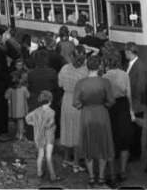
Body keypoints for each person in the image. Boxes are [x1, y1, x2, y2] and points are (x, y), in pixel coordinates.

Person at [73, 55, 115, 188]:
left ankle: (91, 177)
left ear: (87, 66)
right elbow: (111, 101)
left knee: (88, 145)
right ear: (99, 66)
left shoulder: (81, 83)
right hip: (102, 114)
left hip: (87, 114)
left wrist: (84, 106)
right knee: (103, 145)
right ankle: (101, 177)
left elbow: (75, 103)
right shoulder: (105, 82)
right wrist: (104, 106)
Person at [103, 51, 134, 184]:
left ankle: (111, 173)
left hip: (109, 107)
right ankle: (123, 171)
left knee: (110, 140)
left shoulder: (104, 76)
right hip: (123, 106)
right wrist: (131, 110)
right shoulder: (125, 74)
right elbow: (129, 94)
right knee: (124, 140)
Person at [57, 45, 88, 173]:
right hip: (78, 102)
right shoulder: (85, 71)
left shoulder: (64, 69)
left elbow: (60, 84)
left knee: (66, 129)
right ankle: (76, 162)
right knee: (77, 131)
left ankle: (65, 159)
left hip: (66, 100)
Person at [26, 49, 59, 142]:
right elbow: (56, 87)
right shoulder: (52, 72)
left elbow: (30, 87)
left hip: (35, 101)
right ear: (46, 60)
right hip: (48, 101)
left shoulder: (31, 73)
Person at [26, 90, 59, 181]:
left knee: (40, 155)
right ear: (50, 100)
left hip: (39, 137)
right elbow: (50, 124)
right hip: (48, 137)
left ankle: (39, 172)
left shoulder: (36, 111)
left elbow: (27, 119)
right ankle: (53, 175)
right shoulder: (51, 112)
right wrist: (52, 126)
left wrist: (34, 124)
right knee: (48, 156)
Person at [124, 42, 147, 161]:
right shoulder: (132, 63)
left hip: (136, 103)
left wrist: (128, 94)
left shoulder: (139, 66)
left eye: (125, 52)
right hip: (134, 102)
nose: (124, 54)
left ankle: (136, 154)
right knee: (133, 129)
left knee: (136, 130)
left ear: (129, 52)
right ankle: (134, 152)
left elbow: (140, 87)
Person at [5, 70, 30, 140]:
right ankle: (21, 134)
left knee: (17, 121)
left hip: (14, 109)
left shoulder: (10, 89)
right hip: (22, 109)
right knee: (21, 121)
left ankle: (18, 133)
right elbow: (28, 96)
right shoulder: (24, 89)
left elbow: (6, 96)